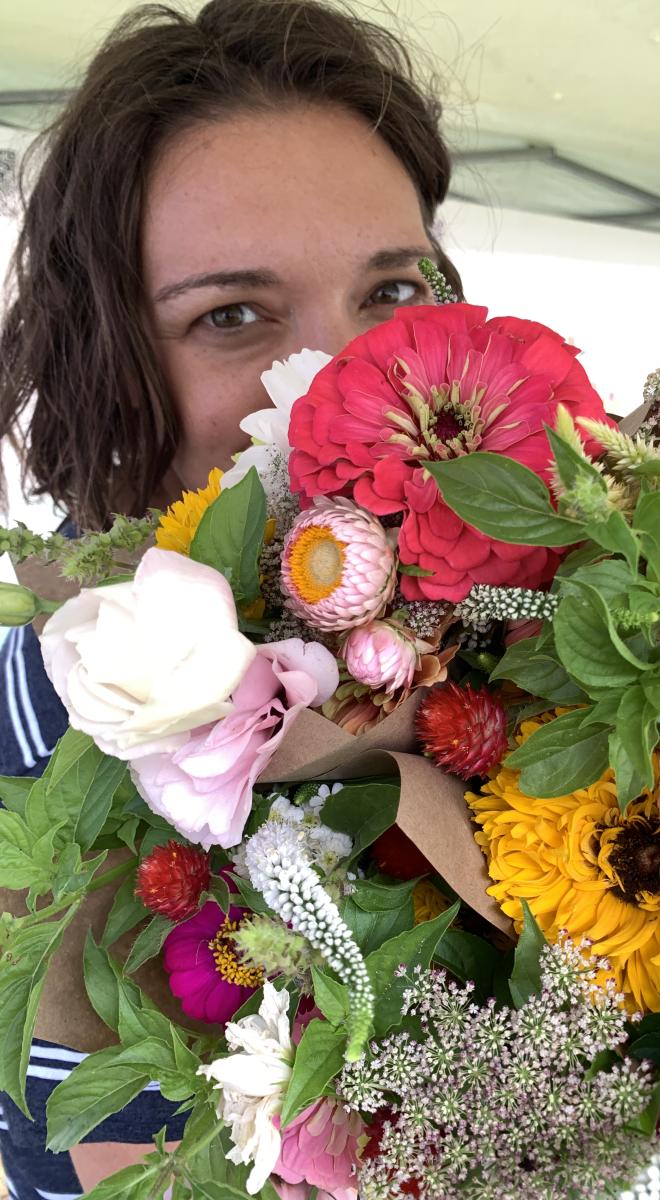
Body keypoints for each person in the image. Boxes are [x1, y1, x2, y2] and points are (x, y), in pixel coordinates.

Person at [0, 0, 461, 1193]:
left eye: (394, 293)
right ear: (104, 360)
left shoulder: (543, 657)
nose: (345, 384)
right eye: (234, 316)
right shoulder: (15, 740)